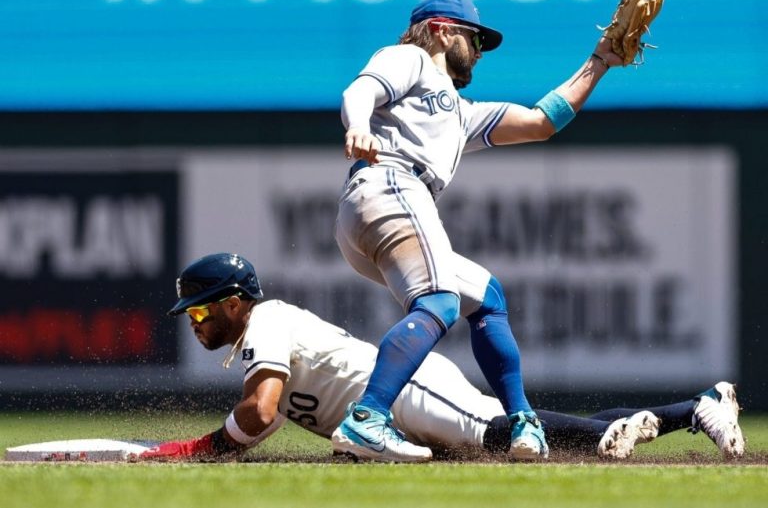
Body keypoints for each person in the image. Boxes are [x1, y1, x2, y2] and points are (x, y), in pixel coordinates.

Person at [332, 0, 633, 462]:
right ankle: (367, 417)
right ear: (438, 29)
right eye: (472, 37)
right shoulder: (410, 58)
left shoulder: (460, 111)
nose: (478, 49)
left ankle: (522, 424)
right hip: (389, 182)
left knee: (486, 296)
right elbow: (360, 90)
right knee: (438, 301)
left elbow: (540, 122)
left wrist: (601, 61)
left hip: (380, 208)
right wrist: (358, 124)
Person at [140, 253, 746, 462]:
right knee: (513, 439)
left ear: (234, 303)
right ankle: (691, 409)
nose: (195, 322)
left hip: (406, 389)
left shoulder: (266, 320)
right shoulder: (260, 333)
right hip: (396, 406)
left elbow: (259, 409)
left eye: (200, 310)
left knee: (506, 435)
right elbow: (261, 421)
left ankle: (694, 407)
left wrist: (194, 450)